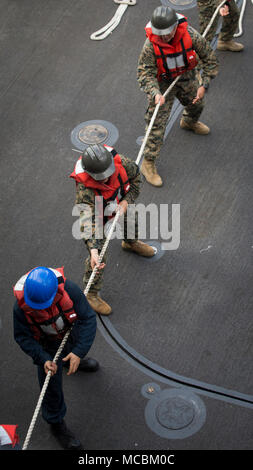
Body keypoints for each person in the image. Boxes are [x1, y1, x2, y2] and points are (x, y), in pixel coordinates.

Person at [13, 266, 98, 450]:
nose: (41, 309)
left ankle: (72, 360)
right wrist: (43, 358)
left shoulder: (70, 290)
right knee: (50, 383)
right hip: (46, 345)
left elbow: (88, 318)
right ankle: (56, 422)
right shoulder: (20, 308)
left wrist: (79, 352)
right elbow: (23, 337)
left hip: (68, 331)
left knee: (72, 348)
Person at [137, 5, 218, 187]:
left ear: (175, 26)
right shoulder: (150, 45)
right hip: (163, 83)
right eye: (160, 33)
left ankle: (189, 121)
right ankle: (148, 163)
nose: (164, 36)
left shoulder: (190, 35)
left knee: (197, 104)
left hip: (185, 76)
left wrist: (204, 83)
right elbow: (145, 73)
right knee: (156, 124)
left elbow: (209, 59)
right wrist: (155, 92)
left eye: (167, 32)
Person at [70, 143, 155, 315]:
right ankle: (91, 293)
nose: (105, 179)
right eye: (100, 177)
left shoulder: (122, 163)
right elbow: (87, 221)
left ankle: (130, 243)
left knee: (131, 222)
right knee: (98, 259)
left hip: (119, 203)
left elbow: (137, 179)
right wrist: (93, 249)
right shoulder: (84, 190)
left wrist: (126, 201)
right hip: (98, 216)